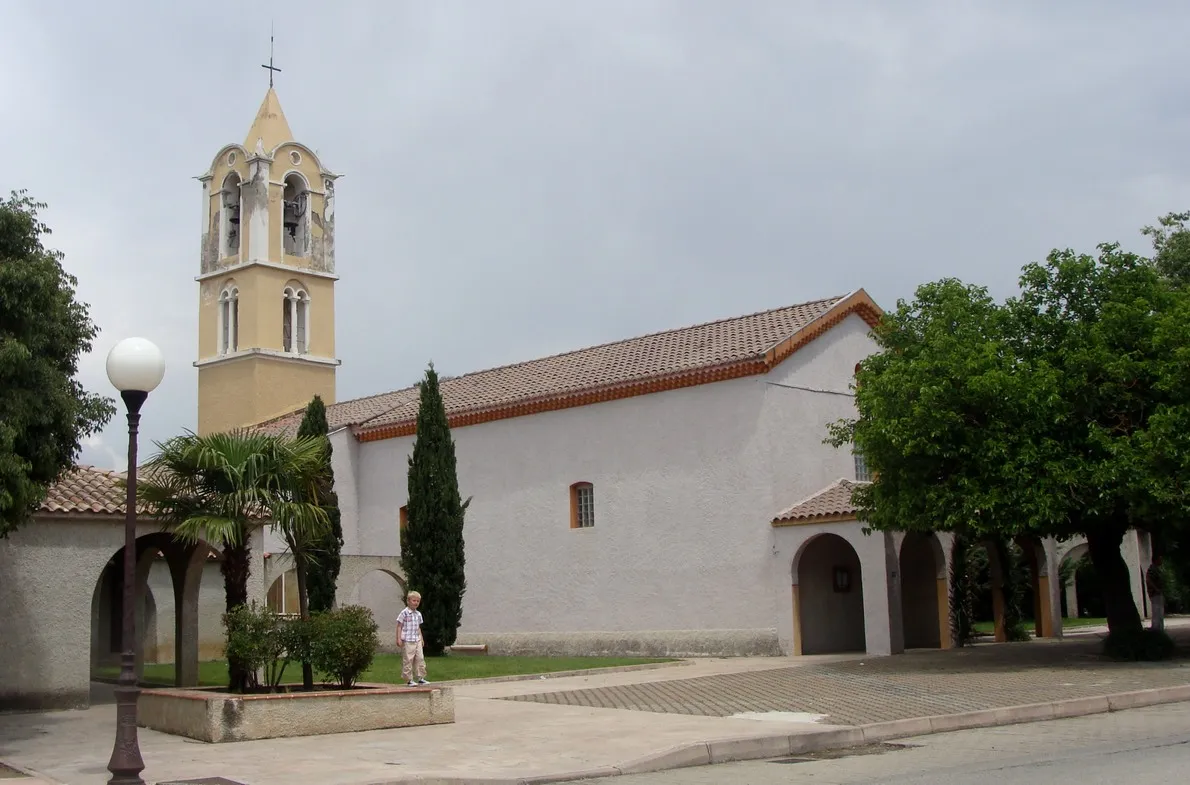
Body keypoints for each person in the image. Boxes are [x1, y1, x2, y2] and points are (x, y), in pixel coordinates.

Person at [396, 590, 429, 686]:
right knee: (408, 659)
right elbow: (399, 626)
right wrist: (398, 638)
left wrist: (421, 638)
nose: (416, 603)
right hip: (407, 640)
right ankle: (409, 679)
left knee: (420, 658)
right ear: (408, 601)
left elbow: (418, 627)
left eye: (418, 601)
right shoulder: (404, 613)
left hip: (416, 639)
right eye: (414, 600)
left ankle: (421, 677)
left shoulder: (418, 614)